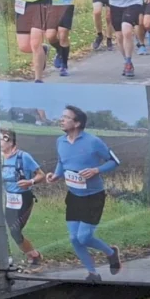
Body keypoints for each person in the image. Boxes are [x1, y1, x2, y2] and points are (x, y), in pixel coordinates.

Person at [46, 105, 122, 283]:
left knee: (84, 237)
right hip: (73, 195)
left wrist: (97, 169)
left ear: (77, 123)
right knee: (74, 238)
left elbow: (115, 161)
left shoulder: (93, 141)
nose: (61, 120)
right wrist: (56, 175)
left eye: (66, 117)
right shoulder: (60, 141)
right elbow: (61, 161)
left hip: (93, 196)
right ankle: (93, 274)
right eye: (62, 116)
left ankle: (111, 252)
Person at [0, 128, 45, 270]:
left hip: (24, 199)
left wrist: (30, 181)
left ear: (12, 142)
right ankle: (30, 255)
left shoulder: (23, 156)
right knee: (10, 231)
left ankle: (34, 255)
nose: (0, 142)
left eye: (3, 139)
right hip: (10, 199)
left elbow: (41, 175)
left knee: (15, 231)